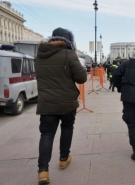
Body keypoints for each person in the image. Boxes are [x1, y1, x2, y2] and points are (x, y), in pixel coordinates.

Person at [35, 27, 87, 184]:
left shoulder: (40, 56)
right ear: (69, 40)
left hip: (46, 103)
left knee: (46, 135)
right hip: (67, 102)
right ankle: (64, 158)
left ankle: (43, 171)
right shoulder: (69, 54)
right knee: (66, 128)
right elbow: (81, 78)